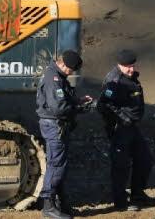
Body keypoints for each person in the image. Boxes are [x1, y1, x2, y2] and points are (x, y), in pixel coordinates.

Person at [35, 50, 93, 219]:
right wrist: (80, 109)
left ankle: (58, 203)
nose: (72, 72)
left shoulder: (58, 76)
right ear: (62, 64)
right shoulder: (53, 79)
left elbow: (64, 98)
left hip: (57, 125)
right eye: (70, 69)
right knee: (56, 165)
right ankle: (48, 206)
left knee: (60, 164)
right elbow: (58, 108)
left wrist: (78, 101)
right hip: (54, 125)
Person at [96, 49, 153, 211]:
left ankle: (137, 195)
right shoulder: (114, 81)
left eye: (132, 66)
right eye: (127, 66)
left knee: (145, 160)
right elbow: (103, 105)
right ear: (119, 65)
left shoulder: (132, 78)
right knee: (121, 166)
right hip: (119, 129)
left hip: (133, 127)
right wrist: (121, 118)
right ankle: (120, 203)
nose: (131, 69)